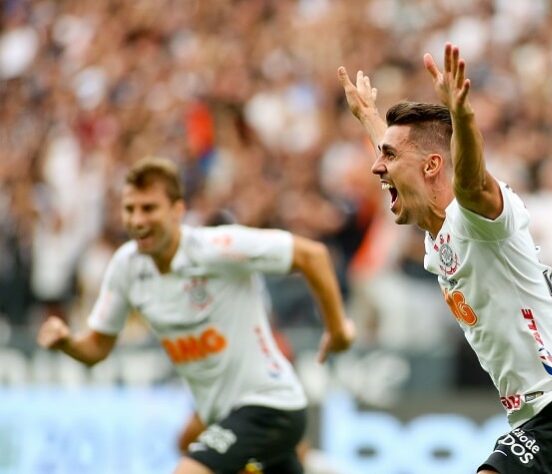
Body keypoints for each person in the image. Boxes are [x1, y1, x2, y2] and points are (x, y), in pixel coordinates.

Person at [338, 43, 552, 473]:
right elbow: (409, 161)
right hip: (549, 416)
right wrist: (369, 117)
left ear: (435, 165)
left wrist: (463, 116)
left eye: (388, 155)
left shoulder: (478, 219)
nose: (376, 167)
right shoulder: (437, 237)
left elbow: (471, 183)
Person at [37, 157, 355, 474]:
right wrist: (67, 342)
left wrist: (337, 329)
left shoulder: (216, 247)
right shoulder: (126, 266)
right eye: (129, 208)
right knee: (189, 445)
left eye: (149, 208)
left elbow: (312, 255)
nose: (136, 219)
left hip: (270, 406)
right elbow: (96, 347)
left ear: (177, 211)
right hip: (223, 416)